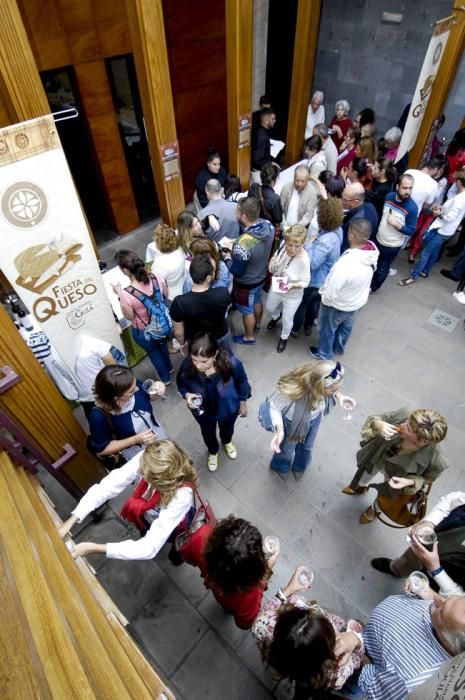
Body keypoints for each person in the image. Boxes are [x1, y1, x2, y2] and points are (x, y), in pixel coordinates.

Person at [59, 440, 198, 561]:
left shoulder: (182, 496)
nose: (139, 472)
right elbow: (109, 485)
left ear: (160, 481)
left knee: (174, 542)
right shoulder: (148, 458)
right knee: (146, 531)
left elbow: (149, 547)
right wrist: (72, 519)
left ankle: (178, 555)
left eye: (144, 474)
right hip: (147, 516)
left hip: (176, 523)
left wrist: (94, 548)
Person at [251, 565, 364, 694]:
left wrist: (288, 590)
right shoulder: (336, 672)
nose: (312, 608)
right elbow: (356, 660)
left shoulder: (261, 625)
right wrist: (356, 640)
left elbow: (266, 612)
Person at [343, 407, 449, 525]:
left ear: (421, 441)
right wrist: (378, 424)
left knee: (387, 495)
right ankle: (360, 486)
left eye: (408, 428)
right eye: (407, 421)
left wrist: (409, 482)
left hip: (399, 475)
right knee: (367, 471)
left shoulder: (437, 461)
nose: (402, 424)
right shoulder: (404, 414)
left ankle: (375, 510)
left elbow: (428, 479)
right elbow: (376, 418)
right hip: (381, 455)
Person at [358, 593, 465, 699]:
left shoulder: (412, 681)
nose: (436, 598)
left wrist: (358, 644)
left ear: (449, 644)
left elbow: (372, 688)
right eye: (447, 598)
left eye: (441, 611)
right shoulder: (444, 619)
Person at [182, 515, 277, 629]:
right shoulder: (251, 593)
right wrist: (267, 571)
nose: (252, 524)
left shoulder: (200, 535)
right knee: (229, 607)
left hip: (218, 591)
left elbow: (188, 556)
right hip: (233, 602)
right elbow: (244, 623)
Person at [268, 360, 355, 480]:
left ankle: (300, 466)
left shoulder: (323, 386)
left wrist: (340, 396)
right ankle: (280, 466)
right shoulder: (293, 390)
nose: (335, 393)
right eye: (333, 391)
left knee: (307, 446)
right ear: (319, 386)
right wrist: (280, 430)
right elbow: (274, 407)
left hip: (314, 420)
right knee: (286, 449)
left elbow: (333, 388)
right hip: (291, 424)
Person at [177, 333, 249, 471]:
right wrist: (187, 395)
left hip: (228, 407)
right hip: (203, 411)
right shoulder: (187, 365)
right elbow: (181, 384)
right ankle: (213, 451)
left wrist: (243, 402)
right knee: (207, 432)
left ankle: (227, 441)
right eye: (194, 360)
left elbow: (242, 381)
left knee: (228, 428)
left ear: (215, 354)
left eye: (204, 361)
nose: (198, 365)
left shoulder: (231, 363)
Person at [371, 491, 465, 597]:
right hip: (439, 543)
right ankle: (396, 569)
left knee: (418, 599)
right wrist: (430, 522)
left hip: (446, 591)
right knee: (413, 556)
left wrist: (436, 571)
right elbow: (452, 500)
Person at [310, 219, 378, 360]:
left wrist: (325, 300)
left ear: (351, 235)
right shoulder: (372, 250)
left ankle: (324, 354)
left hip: (338, 305)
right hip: (357, 302)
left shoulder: (346, 264)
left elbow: (332, 290)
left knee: (327, 330)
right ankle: (339, 347)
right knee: (346, 327)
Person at [113, 250, 173, 384]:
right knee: (162, 344)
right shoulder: (156, 275)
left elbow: (129, 317)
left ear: (126, 271)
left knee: (153, 352)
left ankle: (165, 378)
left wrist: (119, 293)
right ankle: (169, 368)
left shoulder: (126, 294)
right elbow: (166, 294)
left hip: (143, 331)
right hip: (162, 324)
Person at [86, 365, 166, 464]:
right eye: (131, 391)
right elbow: (102, 449)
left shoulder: (129, 384)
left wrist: (157, 392)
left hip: (158, 435)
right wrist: (135, 440)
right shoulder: (98, 416)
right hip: (140, 455)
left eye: (135, 384)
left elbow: (147, 397)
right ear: (115, 397)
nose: (137, 389)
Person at [399, 169, 465, 286]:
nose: (455, 182)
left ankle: (414, 275)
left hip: (443, 229)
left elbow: (450, 217)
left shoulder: (460, 199)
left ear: (460, 182)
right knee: (434, 252)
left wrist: (438, 213)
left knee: (425, 253)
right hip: (447, 230)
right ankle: (425, 271)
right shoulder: (462, 196)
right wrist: (441, 208)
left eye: (456, 180)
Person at [292, 196, 344, 338]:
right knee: (314, 304)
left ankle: (295, 329)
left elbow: (314, 263)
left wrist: (309, 243)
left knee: (302, 305)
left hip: (315, 280)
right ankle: (308, 326)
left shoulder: (326, 240)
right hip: (324, 279)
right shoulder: (338, 230)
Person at [229, 196, 274, 345]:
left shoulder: (243, 243)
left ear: (243, 215)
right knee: (256, 300)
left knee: (247, 311)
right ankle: (259, 324)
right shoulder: (269, 226)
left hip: (246, 283)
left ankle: (249, 336)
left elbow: (237, 271)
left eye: (237, 212)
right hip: (261, 276)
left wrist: (228, 258)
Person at [170, 254, 232, 351]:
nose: (215, 273)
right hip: (220, 336)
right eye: (213, 271)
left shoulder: (179, 303)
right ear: (208, 278)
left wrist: (183, 344)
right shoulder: (222, 293)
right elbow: (227, 308)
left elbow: (178, 332)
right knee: (227, 360)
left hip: (197, 342)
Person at [265, 225, 310, 353]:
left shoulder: (304, 261)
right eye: (290, 245)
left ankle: (284, 338)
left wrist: (291, 285)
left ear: (302, 244)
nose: (292, 249)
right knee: (269, 307)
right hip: (277, 285)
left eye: (297, 246)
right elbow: (276, 255)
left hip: (292, 295)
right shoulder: (283, 244)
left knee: (287, 319)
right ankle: (275, 316)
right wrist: (272, 262)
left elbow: (306, 282)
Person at [371, 174, 418, 292]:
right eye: (405, 188)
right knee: (373, 264)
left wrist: (397, 225)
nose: (408, 191)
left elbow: (411, 230)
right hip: (378, 239)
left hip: (392, 246)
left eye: (410, 188)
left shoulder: (412, 208)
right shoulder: (389, 197)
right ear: (397, 187)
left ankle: (372, 288)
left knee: (383, 268)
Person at [74, 334, 126, 420]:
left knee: (102, 422)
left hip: (87, 396)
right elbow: (112, 365)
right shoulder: (89, 339)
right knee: (118, 419)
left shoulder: (54, 348)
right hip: (103, 390)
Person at [145, 223, 186, 300]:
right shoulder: (180, 249)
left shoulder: (159, 263)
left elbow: (156, 283)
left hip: (171, 293)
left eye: (156, 241)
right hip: (181, 281)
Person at [198, 179, 240, 243]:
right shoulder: (236, 207)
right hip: (237, 248)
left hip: (214, 252)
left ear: (206, 192)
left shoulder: (201, 214)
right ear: (222, 190)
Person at [340, 182, 378, 251]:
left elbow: (345, 247)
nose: (341, 201)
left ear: (356, 201)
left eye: (345, 200)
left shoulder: (354, 224)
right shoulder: (370, 206)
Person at [248, 161, 283, 227]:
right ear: (273, 181)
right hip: (267, 228)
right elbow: (279, 219)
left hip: (253, 224)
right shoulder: (275, 199)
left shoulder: (254, 187)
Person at [251, 107, 276, 182]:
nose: (275, 121)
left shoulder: (262, 131)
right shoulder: (261, 136)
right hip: (259, 174)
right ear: (267, 120)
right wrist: (271, 163)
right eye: (273, 119)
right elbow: (257, 160)